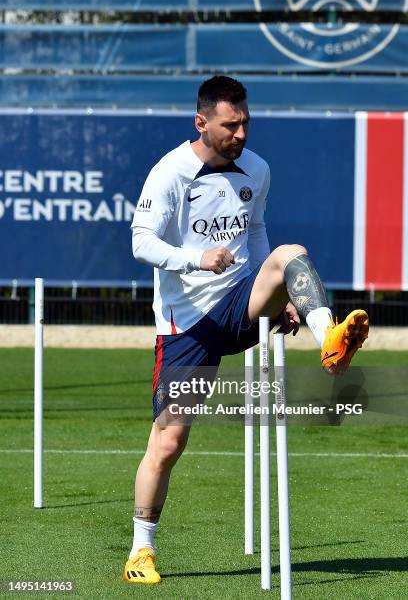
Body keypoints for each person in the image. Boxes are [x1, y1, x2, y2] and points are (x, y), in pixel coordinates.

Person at [124, 75, 369, 584]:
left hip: (241, 303)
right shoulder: (170, 173)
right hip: (187, 325)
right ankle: (140, 551)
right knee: (168, 444)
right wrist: (196, 258)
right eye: (229, 125)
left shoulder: (256, 169)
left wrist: (281, 295)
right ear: (202, 122)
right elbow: (141, 242)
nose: (240, 133)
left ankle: (329, 336)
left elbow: (256, 231)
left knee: (288, 255)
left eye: (245, 123)